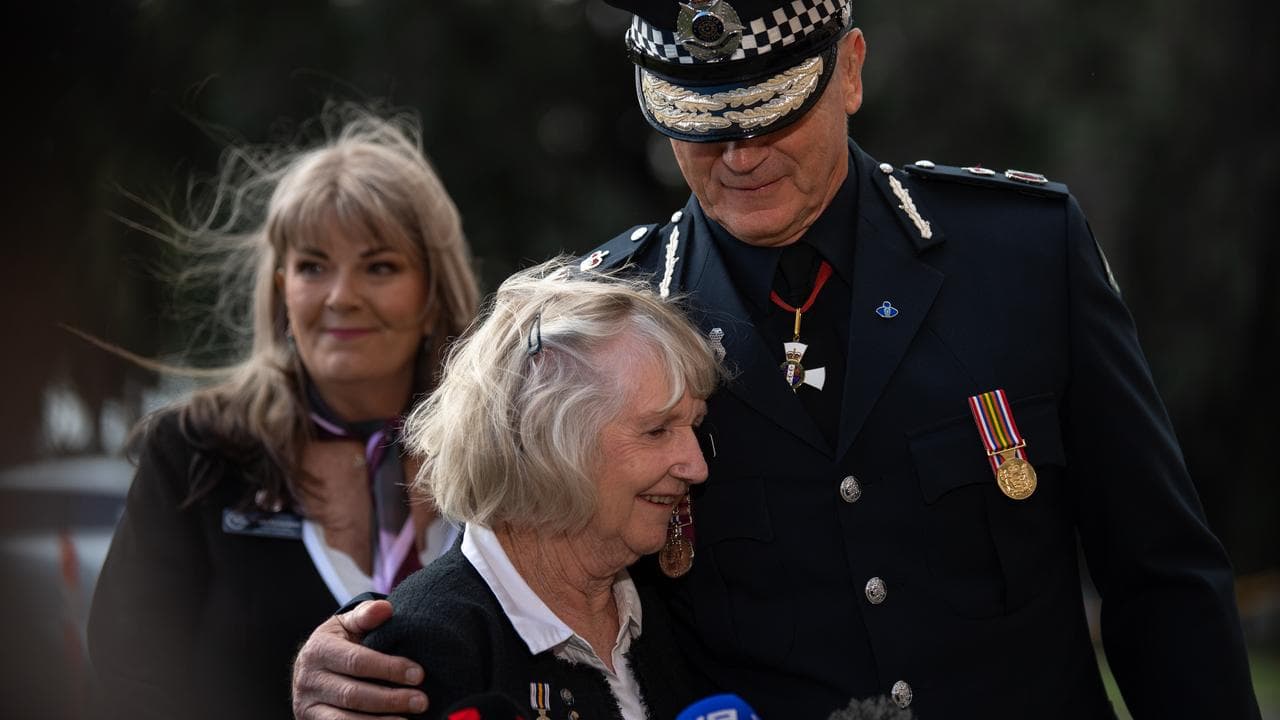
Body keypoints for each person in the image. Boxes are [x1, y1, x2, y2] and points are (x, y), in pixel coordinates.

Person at [290, 3, 1262, 718]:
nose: (738, 155)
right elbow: (518, 562)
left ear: (848, 69)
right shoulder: (608, 319)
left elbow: (1158, 577)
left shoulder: (1018, 255)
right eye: (700, 126)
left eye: (768, 113)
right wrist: (374, 650)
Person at [87, 106, 480, 720]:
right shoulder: (195, 451)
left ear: (433, 295)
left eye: (379, 266)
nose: (341, 296)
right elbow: (130, 682)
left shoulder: (498, 458)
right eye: (312, 266)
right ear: (280, 291)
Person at [357, 258, 720, 719]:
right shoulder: (427, 648)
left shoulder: (664, 612)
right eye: (657, 431)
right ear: (547, 442)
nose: (696, 466)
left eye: (695, 426)